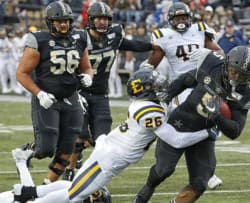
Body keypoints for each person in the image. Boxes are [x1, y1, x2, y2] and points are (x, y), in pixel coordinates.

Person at [6, 69, 215, 203]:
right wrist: (207, 131)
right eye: (156, 85)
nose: (161, 87)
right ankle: (30, 198)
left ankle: (28, 193)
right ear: (146, 91)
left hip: (110, 150)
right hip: (110, 159)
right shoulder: (149, 111)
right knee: (74, 196)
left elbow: (172, 97)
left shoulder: (146, 104)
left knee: (75, 188)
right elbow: (175, 139)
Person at [134, 46, 250, 203]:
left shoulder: (247, 93)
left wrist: (216, 116)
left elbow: (235, 131)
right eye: (234, 71)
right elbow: (187, 79)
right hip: (180, 123)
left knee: (200, 183)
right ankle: (144, 193)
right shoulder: (212, 64)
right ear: (227, 64)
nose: (235, 77)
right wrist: (168, 95)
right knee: (163, 170)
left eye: (242, 76)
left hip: (204, 134)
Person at [62, 2, 155, 181]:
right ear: (91, 20)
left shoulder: (114, 35)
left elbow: (130, 44)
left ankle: (91, 171)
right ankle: (70, 170)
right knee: (79, 135)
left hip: (101, 94)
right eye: (98, 18)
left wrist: (152, 46)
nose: (102, 22)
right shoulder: (80, 38)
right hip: (80, 93)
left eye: (105, 19)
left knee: (102, 139)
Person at [144, 1, 224, 189]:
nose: (181, 21)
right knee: (191, 129)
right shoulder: (164, 36)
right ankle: (206, 174)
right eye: (177, 18)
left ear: (189, 18)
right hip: (181, 87)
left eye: (184, 17)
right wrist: (144, 75)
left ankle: (206, 172)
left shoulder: (199, 30)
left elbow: (218, 52)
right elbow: (151, 63)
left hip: (203, 85)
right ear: (170, 20)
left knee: (204, 129)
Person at [16, 1, 94, 184]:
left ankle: (46, 185)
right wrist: (39, 93)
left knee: (67, 149)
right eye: (59, 21)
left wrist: (88, 76)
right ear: (49, 22)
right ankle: (25, 152)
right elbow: (21, 73)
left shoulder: (80, 38)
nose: (63, 24)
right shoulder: (39, 40)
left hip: (71, 98)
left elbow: (87, 67)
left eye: (66, 21)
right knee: (46, 149)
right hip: (47, 99)